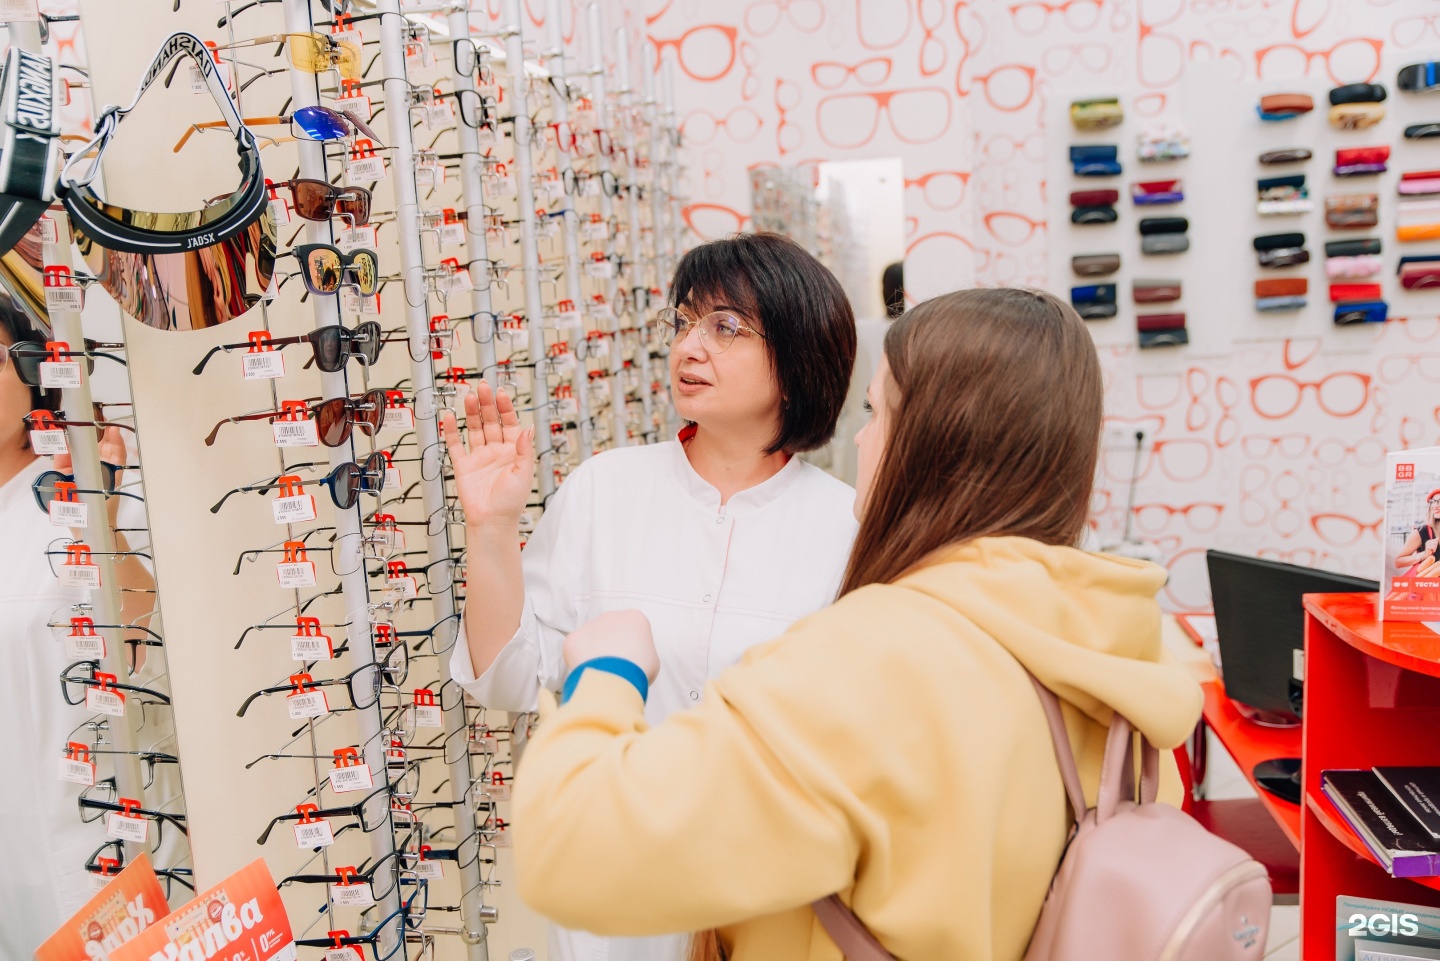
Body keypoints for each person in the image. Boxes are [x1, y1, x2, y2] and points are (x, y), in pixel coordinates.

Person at [508, 288, 1206, 961]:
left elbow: (573, 849)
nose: (864, 440)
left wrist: (608, 672)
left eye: (877, 413)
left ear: (934, 442)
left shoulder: (873, 659)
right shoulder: (1112, 638)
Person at [441, 232, 859, 961]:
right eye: (683, 322)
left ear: (797, 361)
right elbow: (507, 677)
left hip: (770, 910)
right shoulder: (607, 489)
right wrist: (491, 528)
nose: (689, 347)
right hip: (614, 911)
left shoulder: (846, 526)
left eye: (725, 327)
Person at [0, 291, 153, 957]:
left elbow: (142, 644)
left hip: (97, 875)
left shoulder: (84, 491)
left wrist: (103, 521)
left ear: (34, 369)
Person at [1394, 488, 1440, 570]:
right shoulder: (1422, 531)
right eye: (1432, 502)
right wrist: (1424, 554)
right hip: (1429, 582)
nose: (1435, 506)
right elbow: (1398, 562)